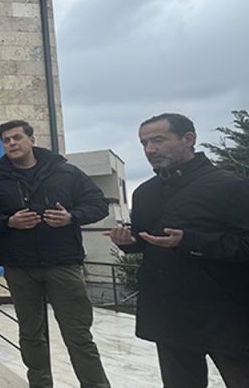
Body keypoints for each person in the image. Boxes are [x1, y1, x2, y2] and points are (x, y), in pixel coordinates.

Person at [109, 113, 249, 387]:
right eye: (144, 143)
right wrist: (128, 243)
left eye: (158, 140)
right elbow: (147, 241)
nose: (150, 149)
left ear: (189, 139)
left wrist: (190, 241)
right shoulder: (145, 193)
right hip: (169, 314)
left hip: (226, 314)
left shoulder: (230, 187)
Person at [0, 120, 110, 388]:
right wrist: (8, 222)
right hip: (19, 267)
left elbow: (98, 204)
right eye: (6, 140)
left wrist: (72, 217)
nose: (12, 143)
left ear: (31, 140)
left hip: (63, 264)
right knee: (31, 335)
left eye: (17, 138)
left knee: (78, 334)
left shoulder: (65, 173)